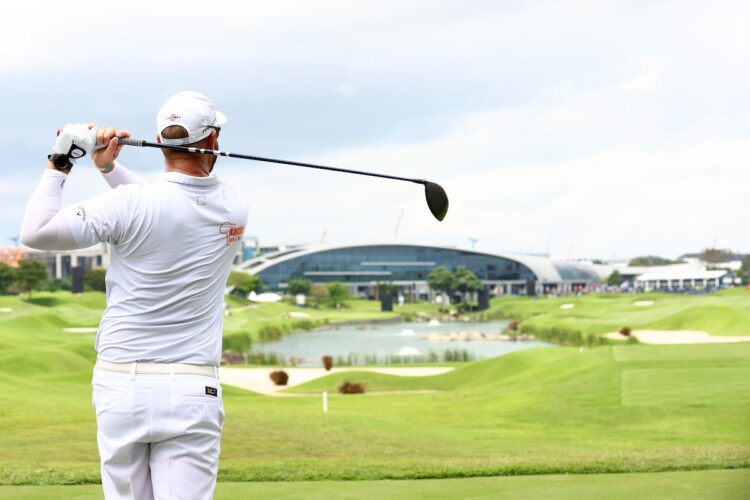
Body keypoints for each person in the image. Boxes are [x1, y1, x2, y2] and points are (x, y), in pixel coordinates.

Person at [20, 91, 249, 500]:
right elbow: (170, 205)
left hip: (119, 384)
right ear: (212, 141)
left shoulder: (127, 203)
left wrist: (62, 161)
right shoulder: (234, 205)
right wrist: (110, 167)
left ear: (161, 141)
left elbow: (36, 233)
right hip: (193, 389)